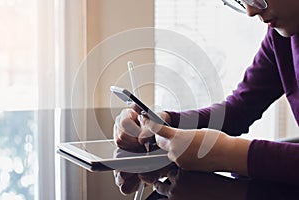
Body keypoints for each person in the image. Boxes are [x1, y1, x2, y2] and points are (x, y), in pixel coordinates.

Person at [114, 0, 299, 186]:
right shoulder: (281, 37)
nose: (250, 11)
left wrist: (227, 154)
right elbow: (239, 110)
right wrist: (164, 122)